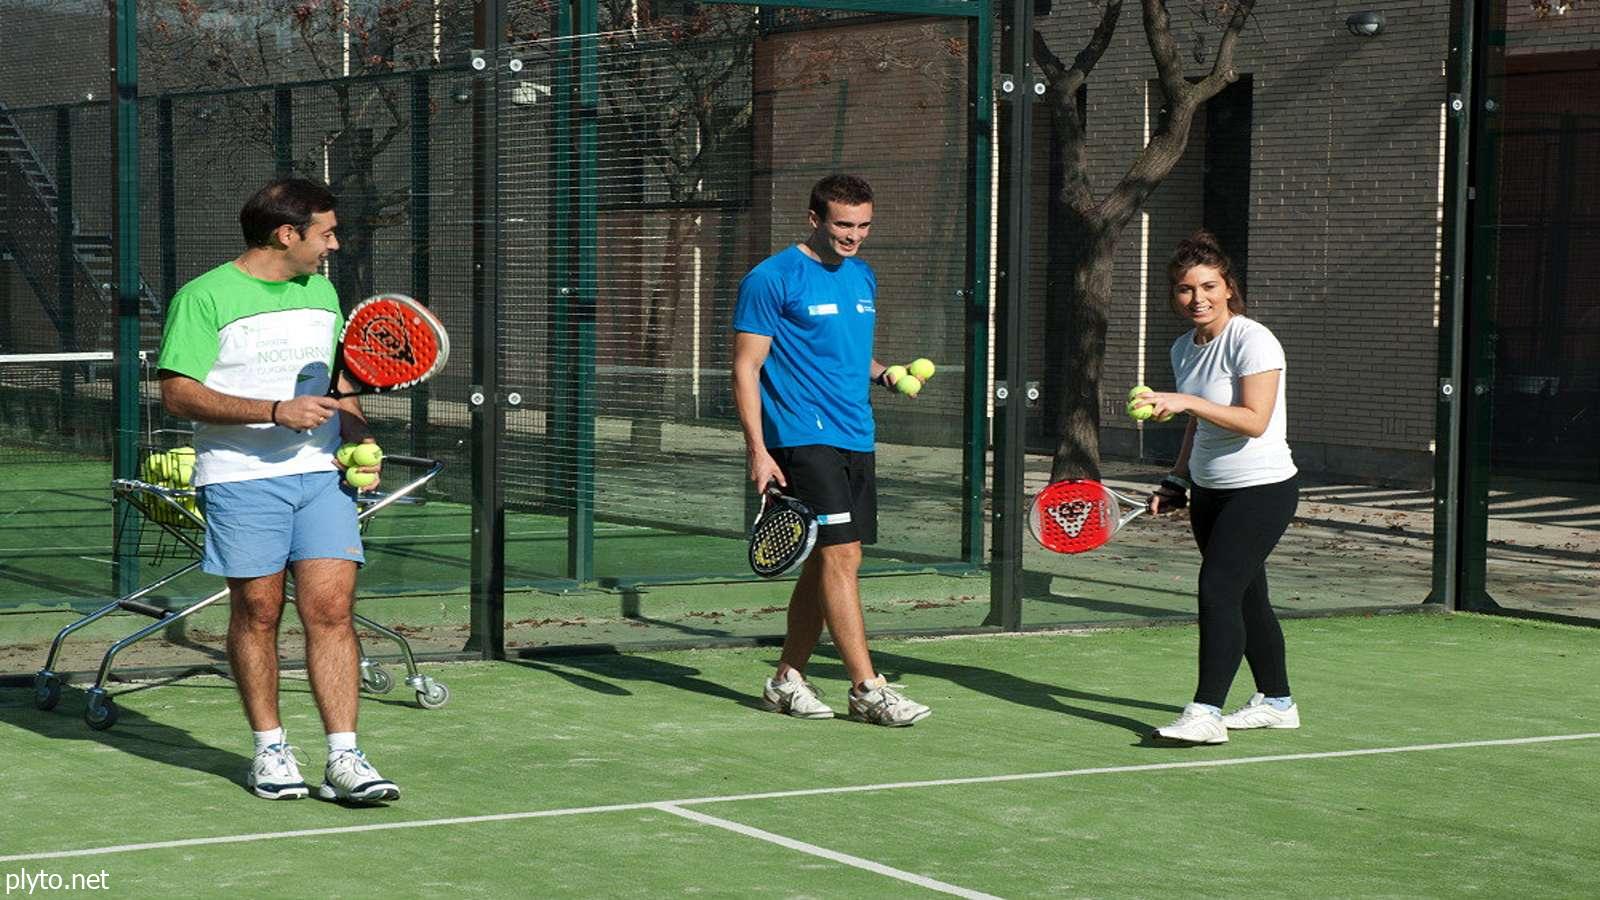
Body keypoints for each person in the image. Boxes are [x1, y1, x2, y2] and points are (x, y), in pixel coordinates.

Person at [158, 178, 399, 801]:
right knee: (258, 613)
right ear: (286, 234)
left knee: (331, 610)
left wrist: (359, 439)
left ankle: (345, 758)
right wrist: (273, 408)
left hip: (321, 478)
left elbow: (339, 380)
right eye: (326, 232)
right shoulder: (204, 296)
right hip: (241, 481)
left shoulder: (321, 292)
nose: (334, 245)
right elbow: (178, 392)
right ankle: (270, 749)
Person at [732, 174, 931, 727]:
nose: (854, 236)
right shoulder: (772, 279)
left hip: (855, 433)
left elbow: (845, 357)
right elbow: (746, 367)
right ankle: (867, 688)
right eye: (844, 225)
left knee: (827, 560)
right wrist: (757, 449)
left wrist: (884, 373)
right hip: (800, 435)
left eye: (864, 225)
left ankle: (785, 679)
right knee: (843, 557)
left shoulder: (862, 276)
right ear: (814, 219)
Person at [1135, 231, 1301, 745]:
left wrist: (1185, 402)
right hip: (1210, 491)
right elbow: (1197, 424)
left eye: (1208, 286)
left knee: (1218, 589)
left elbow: (1253, 420)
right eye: (1185, 290)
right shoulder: (1184, 347)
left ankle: (1205, 712)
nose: (1197, 298)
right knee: (1249, 597)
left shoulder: (1253, 339)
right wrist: (1177, 478)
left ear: (1229, 287)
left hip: (1262, 488)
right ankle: (1278, 702)